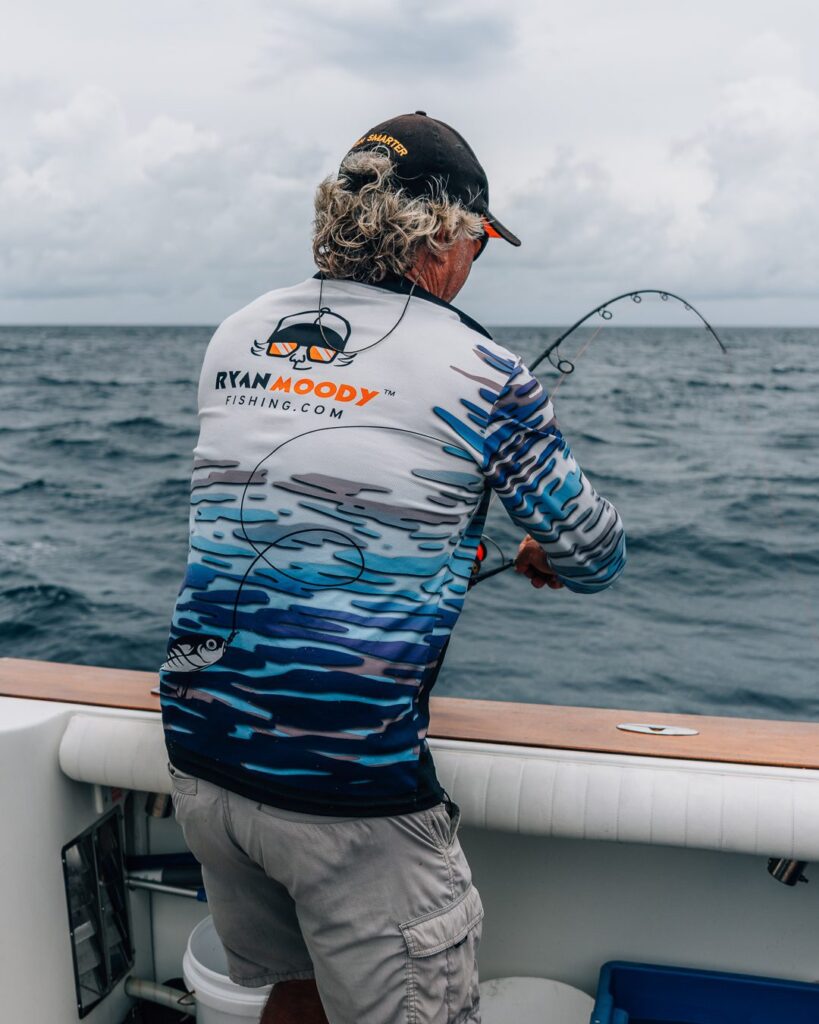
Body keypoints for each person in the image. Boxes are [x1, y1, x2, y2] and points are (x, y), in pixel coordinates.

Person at [160, 111, 626, 1024]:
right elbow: (595, 554)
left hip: (204, 757)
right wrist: (543, 548)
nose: (473, 263)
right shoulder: (488, 374)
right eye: (480, 242)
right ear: (445, 237)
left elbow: (324, 482)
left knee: (289, 997)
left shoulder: (237, 335)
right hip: (347, 795)